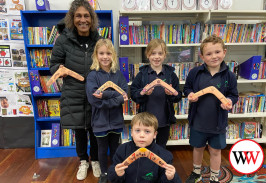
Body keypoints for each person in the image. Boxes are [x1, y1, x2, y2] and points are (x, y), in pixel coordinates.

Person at [49, 0, 101, 180]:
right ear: (72, 18)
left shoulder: (99, 40)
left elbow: (107, 62)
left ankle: (95, 160)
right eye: (78, 16)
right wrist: (59, 70)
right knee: (79, 130)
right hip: (73, 92)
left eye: (86, 16)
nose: (83, 20)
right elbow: (53, 64)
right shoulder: (63, 40)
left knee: (95, 130)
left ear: (92, 19)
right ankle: (83, 161)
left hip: (95, 93)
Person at [183, 35, 238, 183]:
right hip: (198, 121)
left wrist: (229, 101)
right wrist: (190, 94)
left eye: (217, 52)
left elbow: (234, 95)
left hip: (218, 123)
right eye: (209, 54)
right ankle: (196, 172)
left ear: (224, 52)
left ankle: (214, 176)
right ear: (202, 56)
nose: (214, 56)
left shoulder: (230, 76)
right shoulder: (195, 73)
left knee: (215, 150)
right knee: (198, 148)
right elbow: (187, 88)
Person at [86, 38, 128, 183]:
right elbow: (93, 100)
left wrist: (104, 95)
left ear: (113, 55)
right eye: (101, 53)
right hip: (100, 122)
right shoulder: (92, 75)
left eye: (108, 53)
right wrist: (114, 96)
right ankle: (104, 173)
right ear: (96, 55)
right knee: (102, 150)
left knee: (115, 148)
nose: (105, 57)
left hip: (116, 120)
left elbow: (125, 94)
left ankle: (116, 172)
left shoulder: (118, 74)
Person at [130, 39, 182, 149]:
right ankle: (145, 166)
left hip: (164, 120)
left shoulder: (171, 75)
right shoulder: (142, 74)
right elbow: (133, 95)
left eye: (160, 53)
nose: (157, 57)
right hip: (145, 121)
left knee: (161, 147)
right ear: (148, 55)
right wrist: (143, 93)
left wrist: (171, 94)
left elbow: (178, 96)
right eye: (153, 53)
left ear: (165, 55)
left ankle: (158, 166)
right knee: (144, 147)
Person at [108, 112, 182, 183]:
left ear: (154, 134)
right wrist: (116, 174)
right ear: (131, 133)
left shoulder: (165, 155)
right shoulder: (122, 150)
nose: (142, 135)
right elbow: (112, 176)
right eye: (137, 130)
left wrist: (171, 178)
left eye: (147, 131)